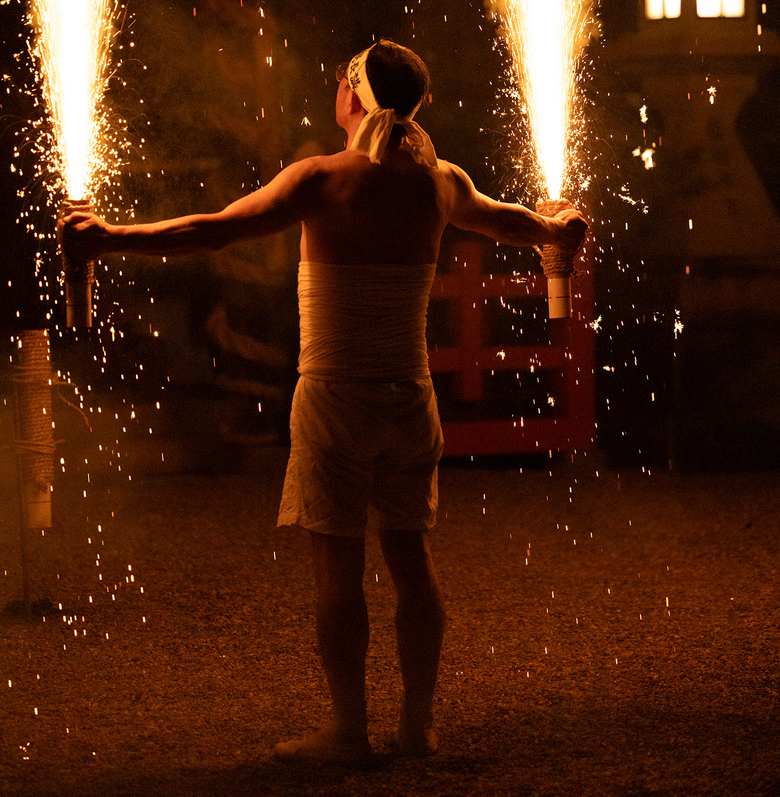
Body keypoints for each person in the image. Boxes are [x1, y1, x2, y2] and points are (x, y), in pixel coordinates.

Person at [59, 39, 587, 764]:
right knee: (411, 559)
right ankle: (417, 726)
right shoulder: (442, 183)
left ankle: (347, 730)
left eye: (342, 81)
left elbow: (212, 231)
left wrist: (109, 238)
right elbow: (512, 222)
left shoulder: (319, 179)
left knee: (337, 569)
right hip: (411, 399)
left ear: (354, 97)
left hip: (335, 398)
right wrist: (557, 231)